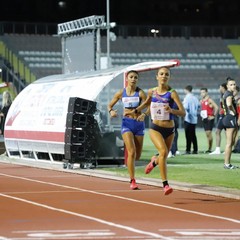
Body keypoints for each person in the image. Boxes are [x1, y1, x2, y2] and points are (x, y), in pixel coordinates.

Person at [133, 66, 185, 195]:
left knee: (163, 156)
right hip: (155, 128)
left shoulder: (172, 93)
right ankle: (165, 185)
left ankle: (154, 161)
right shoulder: (152, 91)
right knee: (163, 152)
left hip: (170, 129)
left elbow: (183, 112)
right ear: (157, 76)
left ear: (169, 77)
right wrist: (137, 111)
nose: (164, 76)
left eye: (166, 74)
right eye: (161, 74)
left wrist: (171, 110)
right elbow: (147, 104)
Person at [107, 70, 148, 190]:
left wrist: (144, 114)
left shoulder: (140, 93)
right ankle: (132, 180)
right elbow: (109, 105)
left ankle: (151, 161)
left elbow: (149, 106)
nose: (133, 79)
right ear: (127, 79)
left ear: (137, 80)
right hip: (127, 124)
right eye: (131, 77)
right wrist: (112, 111)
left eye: (136, 77)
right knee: (131, 151)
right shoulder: (121, 93)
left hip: (139, 125)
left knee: (137, 156)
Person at [222, 78, 239, 169]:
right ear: (227, 86)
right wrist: (233, 111)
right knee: (229, 143)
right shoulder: (229, 94)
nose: (233, 86)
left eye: (234, 84)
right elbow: (228, 104)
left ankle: (228, 163)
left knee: (231, 142)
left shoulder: (227, 93)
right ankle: (227, 164)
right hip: (230, 118)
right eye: (231, 84)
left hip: (228, 118)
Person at [210, 83, 227, 155]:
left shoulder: (227, 95)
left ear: (223, 87)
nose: (219, 89)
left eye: (220, 87)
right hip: (222, 115)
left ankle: (228, 149)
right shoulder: (222, 95)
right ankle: (217, 149)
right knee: (217, 131)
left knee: (227, 133)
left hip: (225, 115)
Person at [200, 87, 219, 153]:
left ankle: (210, 148)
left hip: (209, 118)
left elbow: (216, 107)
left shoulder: (209, 100)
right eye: (201, 92)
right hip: (204, 119)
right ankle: (209, 148)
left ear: (206, 92)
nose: (202, 94)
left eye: (203, 92)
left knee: (209, 133)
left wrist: (213, 115)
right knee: (207, 134)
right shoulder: (201, 100)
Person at [182, 85, 200, 154]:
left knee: (188, 135)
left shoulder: (187, 98)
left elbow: (185, 107)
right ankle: (195, 149)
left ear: (186, 90)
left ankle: (188, 149)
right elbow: (198, 106)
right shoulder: (195, 98)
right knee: (193, 135)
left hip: (188, 118)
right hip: (194, 118)